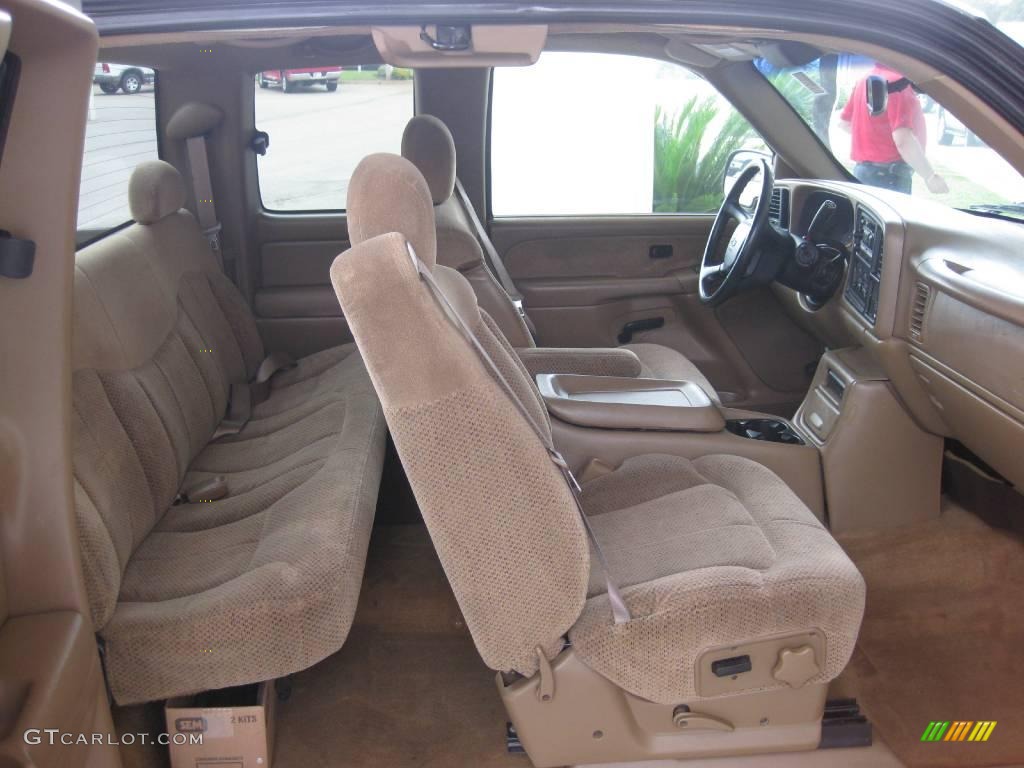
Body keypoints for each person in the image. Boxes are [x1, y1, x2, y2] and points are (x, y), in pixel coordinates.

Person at [839, 64, 949, 195]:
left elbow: (844, 123)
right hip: (888, 177)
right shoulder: (897, 85)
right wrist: (930, 176)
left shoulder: (864, 80)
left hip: (864, 173)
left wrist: (875, 139)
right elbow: (903, 140)